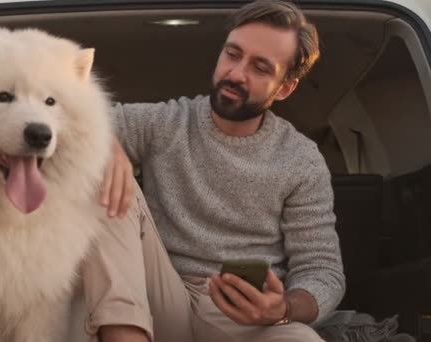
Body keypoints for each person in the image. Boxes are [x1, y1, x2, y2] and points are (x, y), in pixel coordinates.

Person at [81, 1, 346, 341]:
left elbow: (323, 271)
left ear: (285, 88)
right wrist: (105, 141)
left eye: (260, 67)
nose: (236, 73)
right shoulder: (166, 122)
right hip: (159, 302)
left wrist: (282, 309)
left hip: (248, 322)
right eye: (232, 54)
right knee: (99, 168)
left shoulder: (301, 160)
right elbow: (65, 116)